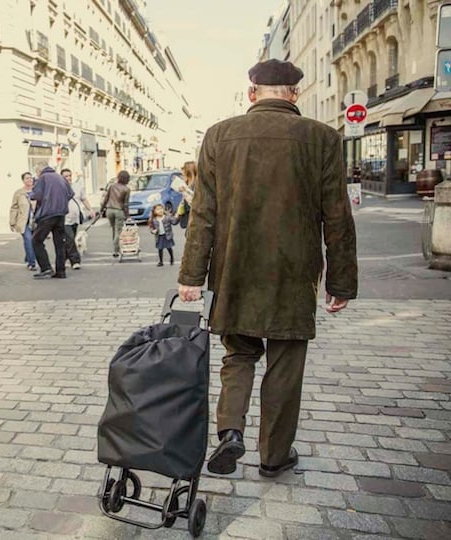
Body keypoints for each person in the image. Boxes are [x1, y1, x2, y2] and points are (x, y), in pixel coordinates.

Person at [177, 59, 358, 478]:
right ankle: (275, 457)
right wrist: (341, 281)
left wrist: (191, 277)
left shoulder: (219, 135)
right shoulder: (323, 138)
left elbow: (203, 213)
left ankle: (230, 434)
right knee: (285, 363)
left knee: (238, 355)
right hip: (293, 275)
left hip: (233, 269)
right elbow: (337, 216)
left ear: (251, 92)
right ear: (295, 94)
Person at [30, 166, 73, 279]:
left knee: (36, 240)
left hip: (48, 214)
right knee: (59, 243)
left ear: (40, 171)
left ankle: (46, 268)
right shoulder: (61, 178)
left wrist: (32, 195)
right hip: (61, 214)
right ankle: (61, 271)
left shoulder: (43, 178)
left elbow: (36, 195)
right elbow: (70, 193)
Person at [62, 168, 92, 270]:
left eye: (69, 175)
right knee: (70, 238)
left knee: (70, 239)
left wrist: (90, 210)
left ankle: (64, 257)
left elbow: (84, 199)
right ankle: (75, 261)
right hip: (64, 218)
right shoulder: (59, 188)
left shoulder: (77, 187)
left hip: (75, 218)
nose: (68, 178)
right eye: (66, 176)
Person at [100, 170, 132, 257]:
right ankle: (116, 250)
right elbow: (126, 204)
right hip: (119, 211)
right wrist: (127, 216)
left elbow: (106, 198)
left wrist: (101, 209)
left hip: (109, 210)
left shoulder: (112, 186)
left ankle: (115, 248)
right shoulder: (127, 189)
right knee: (119, 231)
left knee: (114, 229)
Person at [10, 172, 37, 270]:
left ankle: (28, 256)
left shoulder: (37, 190)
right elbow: (14, 208)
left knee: (34, 242)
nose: (29, 180)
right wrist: (12, 222)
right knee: (28, 240)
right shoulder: (19, 193)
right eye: (27, 178)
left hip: (36, 221)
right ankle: (32, 263)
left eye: (31, 178)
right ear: (23, 180)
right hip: (24, 221)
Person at [176, 161, 197, 229]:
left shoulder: (197, 185)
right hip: (188, 218)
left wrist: (185, 191)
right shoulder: (187, 184)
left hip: (194, 219)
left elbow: (194, 202)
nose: (182, 175)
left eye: (183, 173)